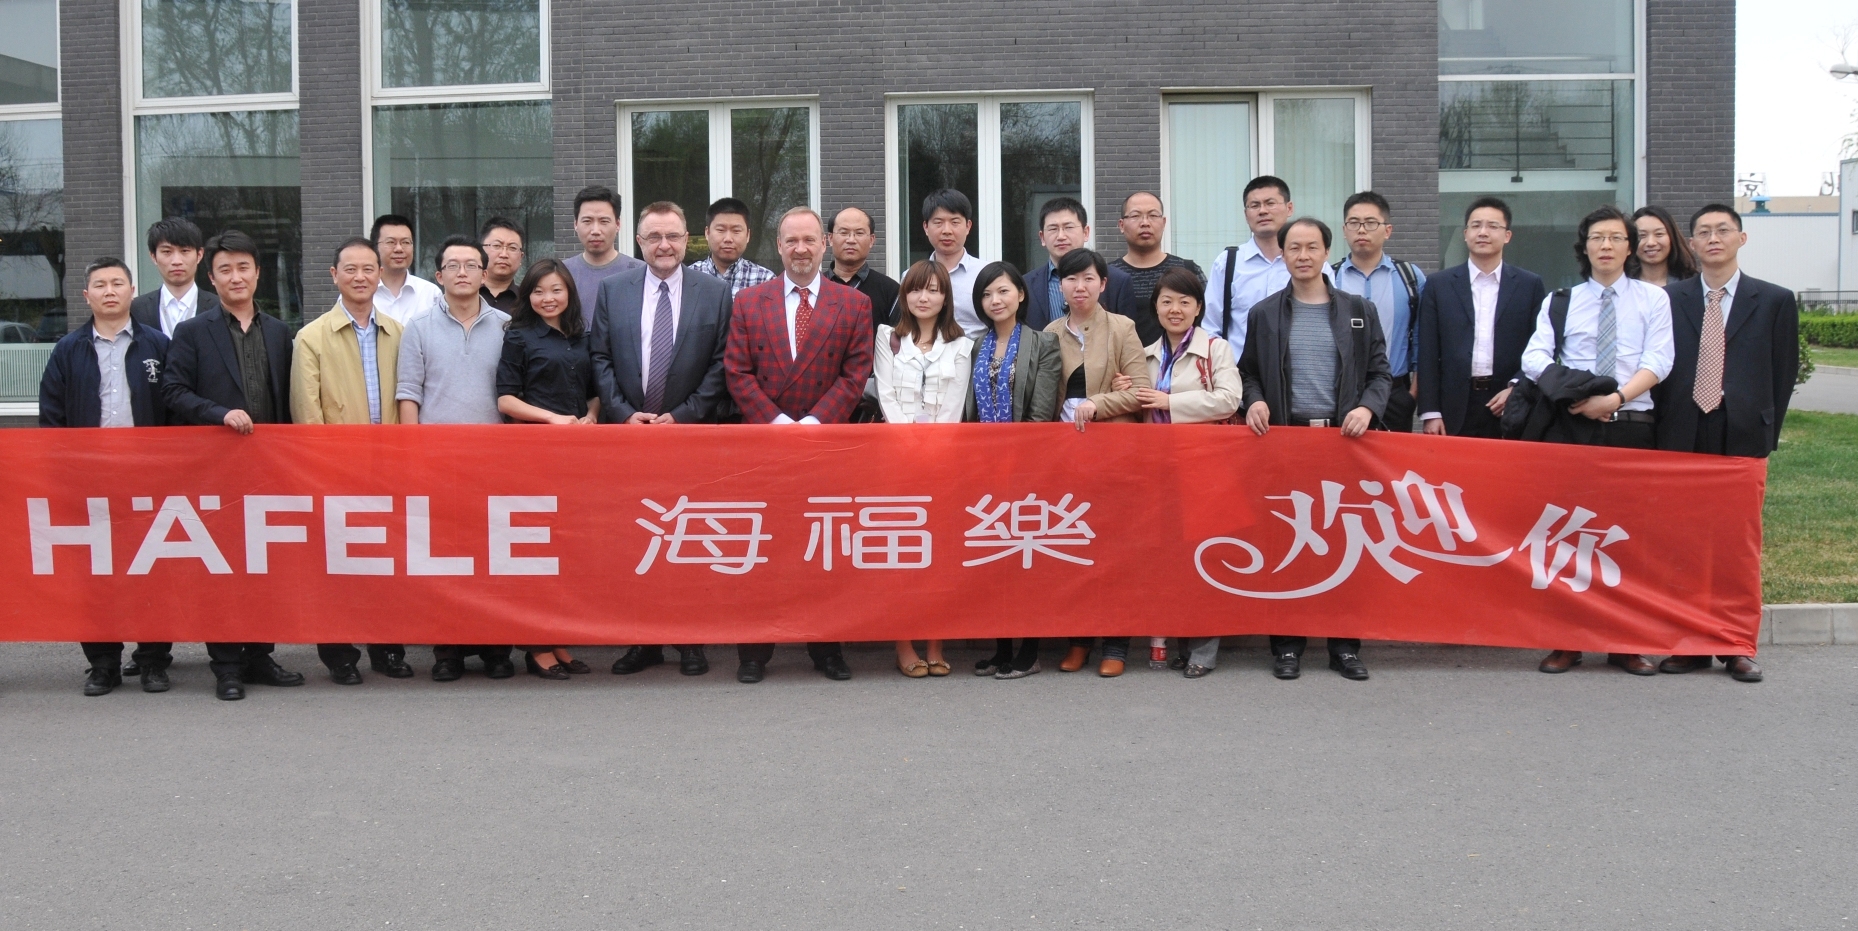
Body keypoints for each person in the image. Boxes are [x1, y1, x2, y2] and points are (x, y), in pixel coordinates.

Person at [1522, 206, 1674, 678]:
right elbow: (1534, 357)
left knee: (1625, 537)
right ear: (1584, 246)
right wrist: (1577, 392)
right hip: (1573, 426)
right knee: (1570, 534)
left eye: (1615, 238)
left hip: (1631, 423)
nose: (1605, 246)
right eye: (1596, 238)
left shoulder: (1653, 299)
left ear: (1630, 247)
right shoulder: (1560, 300)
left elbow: (1660, 359)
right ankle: (1567, 640)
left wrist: (1615, 398)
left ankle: (1625, 642)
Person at [724, 207, 874, 684]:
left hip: (824, 443)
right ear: (778, 245)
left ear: (824, 244)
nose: (801, 249)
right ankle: (754, 649)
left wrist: (811, 423)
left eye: (810, 240)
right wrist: (777, 422)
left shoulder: (853, 304)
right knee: (761, 548)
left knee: (824, 548)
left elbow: (855, 374)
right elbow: (737, 372)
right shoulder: (749, 302)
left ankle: (826, 646)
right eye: (792, 241)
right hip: (765, 443)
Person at [1238, 217, 1391, 682]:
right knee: (1288, 544)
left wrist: (1367, 408)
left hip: (1343, 443)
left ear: (1327, 252)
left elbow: (1380, 374)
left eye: (1311, 247)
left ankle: (1344, 646)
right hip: (1286, 442)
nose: (1302, 256)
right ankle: (1287, 646)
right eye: (1293, 248)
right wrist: (1255, 400)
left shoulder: (1358, 310)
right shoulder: (1265, 313)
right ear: (1282, 254)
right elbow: (1248, 372)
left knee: (1345, 544)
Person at [1652, 204, 1798, 684]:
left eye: (1723, 230)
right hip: (1682, 430)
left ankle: (1735, 645)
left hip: (1742, 434)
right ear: (1691, 243)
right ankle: (1690, 643)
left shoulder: (1774, 300)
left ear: (1741, 238)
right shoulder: (1669, 299)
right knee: (1684, 542)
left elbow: (1783, 373)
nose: (1713, 238)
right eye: (1703, 232)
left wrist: (1765, 434)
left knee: (1736, 546)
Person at [159, 230, 305, 699]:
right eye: (225, 270)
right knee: (220, 571)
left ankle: (259, 656)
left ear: (258, 273)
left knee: (266, 566)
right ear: (212, 277)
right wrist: (218, 413)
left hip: (268, 471)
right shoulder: (192, 332)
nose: (235, 277)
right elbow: (173, 391)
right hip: (215, 470)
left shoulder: (280, 332)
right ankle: (225, 666)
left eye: (244, 268)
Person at [591, 200, 734, 678]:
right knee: (636, 542)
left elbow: (722, 363)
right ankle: (643, 641)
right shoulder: (614, 290)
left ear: (687, 238)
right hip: (629, 439)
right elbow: (600, 358)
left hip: (688, 438)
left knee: (685, 541)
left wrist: (684, 415)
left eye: (673, 236)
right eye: (654, 237)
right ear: (638, 241)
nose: (664, 245)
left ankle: (690, 640)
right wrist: (622, 413)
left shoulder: (715, 293)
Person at [42, 258, 174, 696]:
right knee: (95, 574)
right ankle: (103, 664)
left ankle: (153, 660)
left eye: (118, 283)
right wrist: (66, 474)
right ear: (87, 296)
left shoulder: (158, 344)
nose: (110, 290)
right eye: (100, 285)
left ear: (132, 291)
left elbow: (175, 409)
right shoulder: (68, 350)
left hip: (148, 478)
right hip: (90, 480)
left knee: (152, 570)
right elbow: (52, 418)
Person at [292, 237, 413, 685]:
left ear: (380, 275)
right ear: (334, 275)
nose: (360, 277)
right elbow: (307, 414)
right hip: (337, 471)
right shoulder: (310, 337)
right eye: (351, 269)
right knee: (337, 567)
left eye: (368, 269)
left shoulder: (399, 332)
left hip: (389, 468)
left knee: (388, 564)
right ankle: (339, 655)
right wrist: (324, 471)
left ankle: (388, 649)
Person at [397, 234, 516, 682]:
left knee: (494, 561)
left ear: (485, 274)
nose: (462, 272)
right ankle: (447, 651)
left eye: (470, 265)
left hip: (494, 462)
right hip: (439, 462)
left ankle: (496, 649)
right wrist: (413, 454)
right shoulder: (419, 327)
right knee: (445, 560)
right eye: (453, 265)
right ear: (438, 275)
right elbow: (408, 393)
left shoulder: (506, 326)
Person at [1133, 267, 1243, 678]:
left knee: (1205, 556)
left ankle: (1204, 650)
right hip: (1157, 470)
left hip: (1203, 469)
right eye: (1167, 301)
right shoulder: (1145, 353)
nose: (1175, 309)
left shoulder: (1215, 349)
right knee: (1170, 561)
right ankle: (1181, 642)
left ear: (1198, 308)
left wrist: (1169, 401)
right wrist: (1129, 390)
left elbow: (1229, 399)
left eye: (1184, 301)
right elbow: (1137, 404)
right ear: (1156, 307)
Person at [1046, 247, 1148, 678]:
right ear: (1061, 286)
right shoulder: (1050, 333)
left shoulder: (1122, 327)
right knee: (1072, 550)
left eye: (1089, 278)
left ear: (1103, 284)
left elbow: (1140, 391)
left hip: (1113, 454)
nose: (1080, 286)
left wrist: (1099, 403)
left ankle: (1116, 643)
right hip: (1066, 458)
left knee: (1114, 551)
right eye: (1071, 279)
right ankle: (1079, 640)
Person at [496, 259, 600, 679]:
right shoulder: (518, 335)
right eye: (538, 291)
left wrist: (591, 415)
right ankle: (536, 646)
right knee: (535, 552)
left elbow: (593, 391)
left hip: (577, 458)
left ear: (569, 293)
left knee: (566, 551)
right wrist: (552, 419)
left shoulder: (582, 336)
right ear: (528, 296)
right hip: (532, 457)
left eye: (556, 290)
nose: (548, 298)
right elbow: (505, 399)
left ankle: (557, 637)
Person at [871, 260, 974, 678]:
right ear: (905, 295)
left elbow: (954, 405)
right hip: (896, 463)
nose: (923, 297)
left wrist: (932, 453)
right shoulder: (887, 338)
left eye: (933, 289)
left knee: (939, 555)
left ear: (945, 297)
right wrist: (910, 449)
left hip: (943, 464)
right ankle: (903, 641)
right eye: (915, 289)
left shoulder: (962, 344)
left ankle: (935, 640)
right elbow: (886, 395)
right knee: (900, 552)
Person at [963, 261, 1062, 680]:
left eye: (1003, 291)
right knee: (995, 558)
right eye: (987, 294)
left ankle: (1030, 650)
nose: (995, 300)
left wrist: (1021, 462)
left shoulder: (1043, 343)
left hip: (1027, 467)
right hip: (982, 468)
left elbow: (1042, 412)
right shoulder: (975, 346)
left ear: (1020, 295)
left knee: (1027, 557)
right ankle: (1002, 648)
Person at [1416, 196, 1548, 438]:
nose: (1483, 232)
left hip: (1509, 402)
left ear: (1507, 235)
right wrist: (1431, 412)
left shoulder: (1529, 285)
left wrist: (1517, 387)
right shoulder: (1439, 285)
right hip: (1453, 405)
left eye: (1493, 226)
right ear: (1465, 234)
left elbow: (1540, 346)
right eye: (1476, 225)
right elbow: (1428, 351)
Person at [1332, 191, 1427, 433]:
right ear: (1344, 230)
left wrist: (1412, 395)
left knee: (1392, 458)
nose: (1361, 230)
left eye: (1371, 223)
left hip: (1394, 393)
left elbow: (1422, 338)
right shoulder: (1330, 278)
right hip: (1341, 390)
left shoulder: (1410, 277)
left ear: (1387, 230)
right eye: (1354, 223)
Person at [1203, 176, 1328, 355]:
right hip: (1239, 370)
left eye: (1270, 203)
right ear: (1246, 214)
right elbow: (1210, 327)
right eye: (1254, 205)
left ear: (1289, 208)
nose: (1262, 211)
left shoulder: (1312, 265)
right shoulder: (1227, 263)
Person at [1023, 196, 1144, 339]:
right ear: (1042, 237)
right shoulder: (1026, 285)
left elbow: (1128, 339)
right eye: (1053, 229)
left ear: (1085, 232)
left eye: (1068, 227)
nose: (1061, 236)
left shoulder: (1118, 281)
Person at [1112, 191, 1205, 308]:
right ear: (1121, 225)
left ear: (1164, 223)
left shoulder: (1189, 270)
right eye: (1135, 216)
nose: (1145, 223)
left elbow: (1209, 316)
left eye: (1153, 215)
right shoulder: (1107, 275)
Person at [130, 217, 220, 336]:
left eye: (184, 251)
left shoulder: (219, 307)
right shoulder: (135, 309)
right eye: (167, 252)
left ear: (199, 255)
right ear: (153, 256)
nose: (176, 261)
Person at [920, 188, 987, 337]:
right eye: (938, 223)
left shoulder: (986, 274)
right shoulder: (912, 276)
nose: (947, 230)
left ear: (968, 226)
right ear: (926, 227)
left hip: (976, 350)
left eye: (955, 222)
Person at [563, 184, 644, 303]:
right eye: (587, 221)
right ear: (575, 224)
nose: (595, 231)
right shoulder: (562, 273)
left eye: (604, 221)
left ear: (618, 224)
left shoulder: (641, 272)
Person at [826, 206, 900, 330]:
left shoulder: (891, 291)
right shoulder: (815, 287)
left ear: (871, 240)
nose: (851, 240)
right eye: (844, 233)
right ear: (830, 238)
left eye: (859, 233)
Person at [688, 197, 776, 296]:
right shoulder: (688, 277)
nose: (728, 239)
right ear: (707, 233)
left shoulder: (765, 280)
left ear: (748, 235)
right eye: (721, 230)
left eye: (736, 231)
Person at [370, 213, 443, 325]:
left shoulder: (430, 294)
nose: (399, 249)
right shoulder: (362, 293)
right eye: (391, 242)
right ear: (374, 247)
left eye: (405, 242)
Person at [1628, 205, 1698, 288]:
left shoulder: (1692, 284)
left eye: (1659, 234)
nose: (1651, 243)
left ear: (1672, 237)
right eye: (1642, 235)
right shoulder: (1622, 284)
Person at [479, 216, 527, 312]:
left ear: (521, 257)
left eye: (512, 248)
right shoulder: (462, 295)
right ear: (480, 251)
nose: (504, 254)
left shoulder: (528, 301)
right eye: (497, 246)